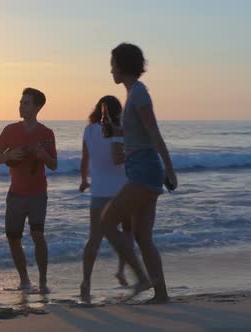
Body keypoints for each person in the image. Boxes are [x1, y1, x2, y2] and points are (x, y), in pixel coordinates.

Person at [101, 43, 177, 304]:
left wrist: (170, 169)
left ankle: (142, 278)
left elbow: (154, 132)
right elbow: (139, 135)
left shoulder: (139, 94)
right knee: (144, 237)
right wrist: (116, 131)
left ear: (121, 66)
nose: (110, 69)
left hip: (145, 170)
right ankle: (161, 293)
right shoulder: (133, 93)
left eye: (112, 64)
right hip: (142, 168)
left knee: (106, 221)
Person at [0, 87, 57, 294]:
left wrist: (41, 154)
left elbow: (54, 164)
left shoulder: (46, 134)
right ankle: (25, 280)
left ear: (37, 107)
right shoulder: (10, 130)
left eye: (26, 103)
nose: (21, 106)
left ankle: (44, 281)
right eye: (20, 102)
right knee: (13, 238)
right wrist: (10, 156)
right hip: (15, 194)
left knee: (37, 235)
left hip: (38, 193)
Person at [78, 95, 134, 302]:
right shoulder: (118, 130)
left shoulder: (89, 130)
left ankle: (86, 281)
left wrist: (84, 180)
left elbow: (85, 158)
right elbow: (118, 158)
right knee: (127, 231)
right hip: (121, 190)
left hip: (99, 191)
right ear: (117, 112)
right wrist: (134, 155)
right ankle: (121, 270)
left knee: (94, 239)